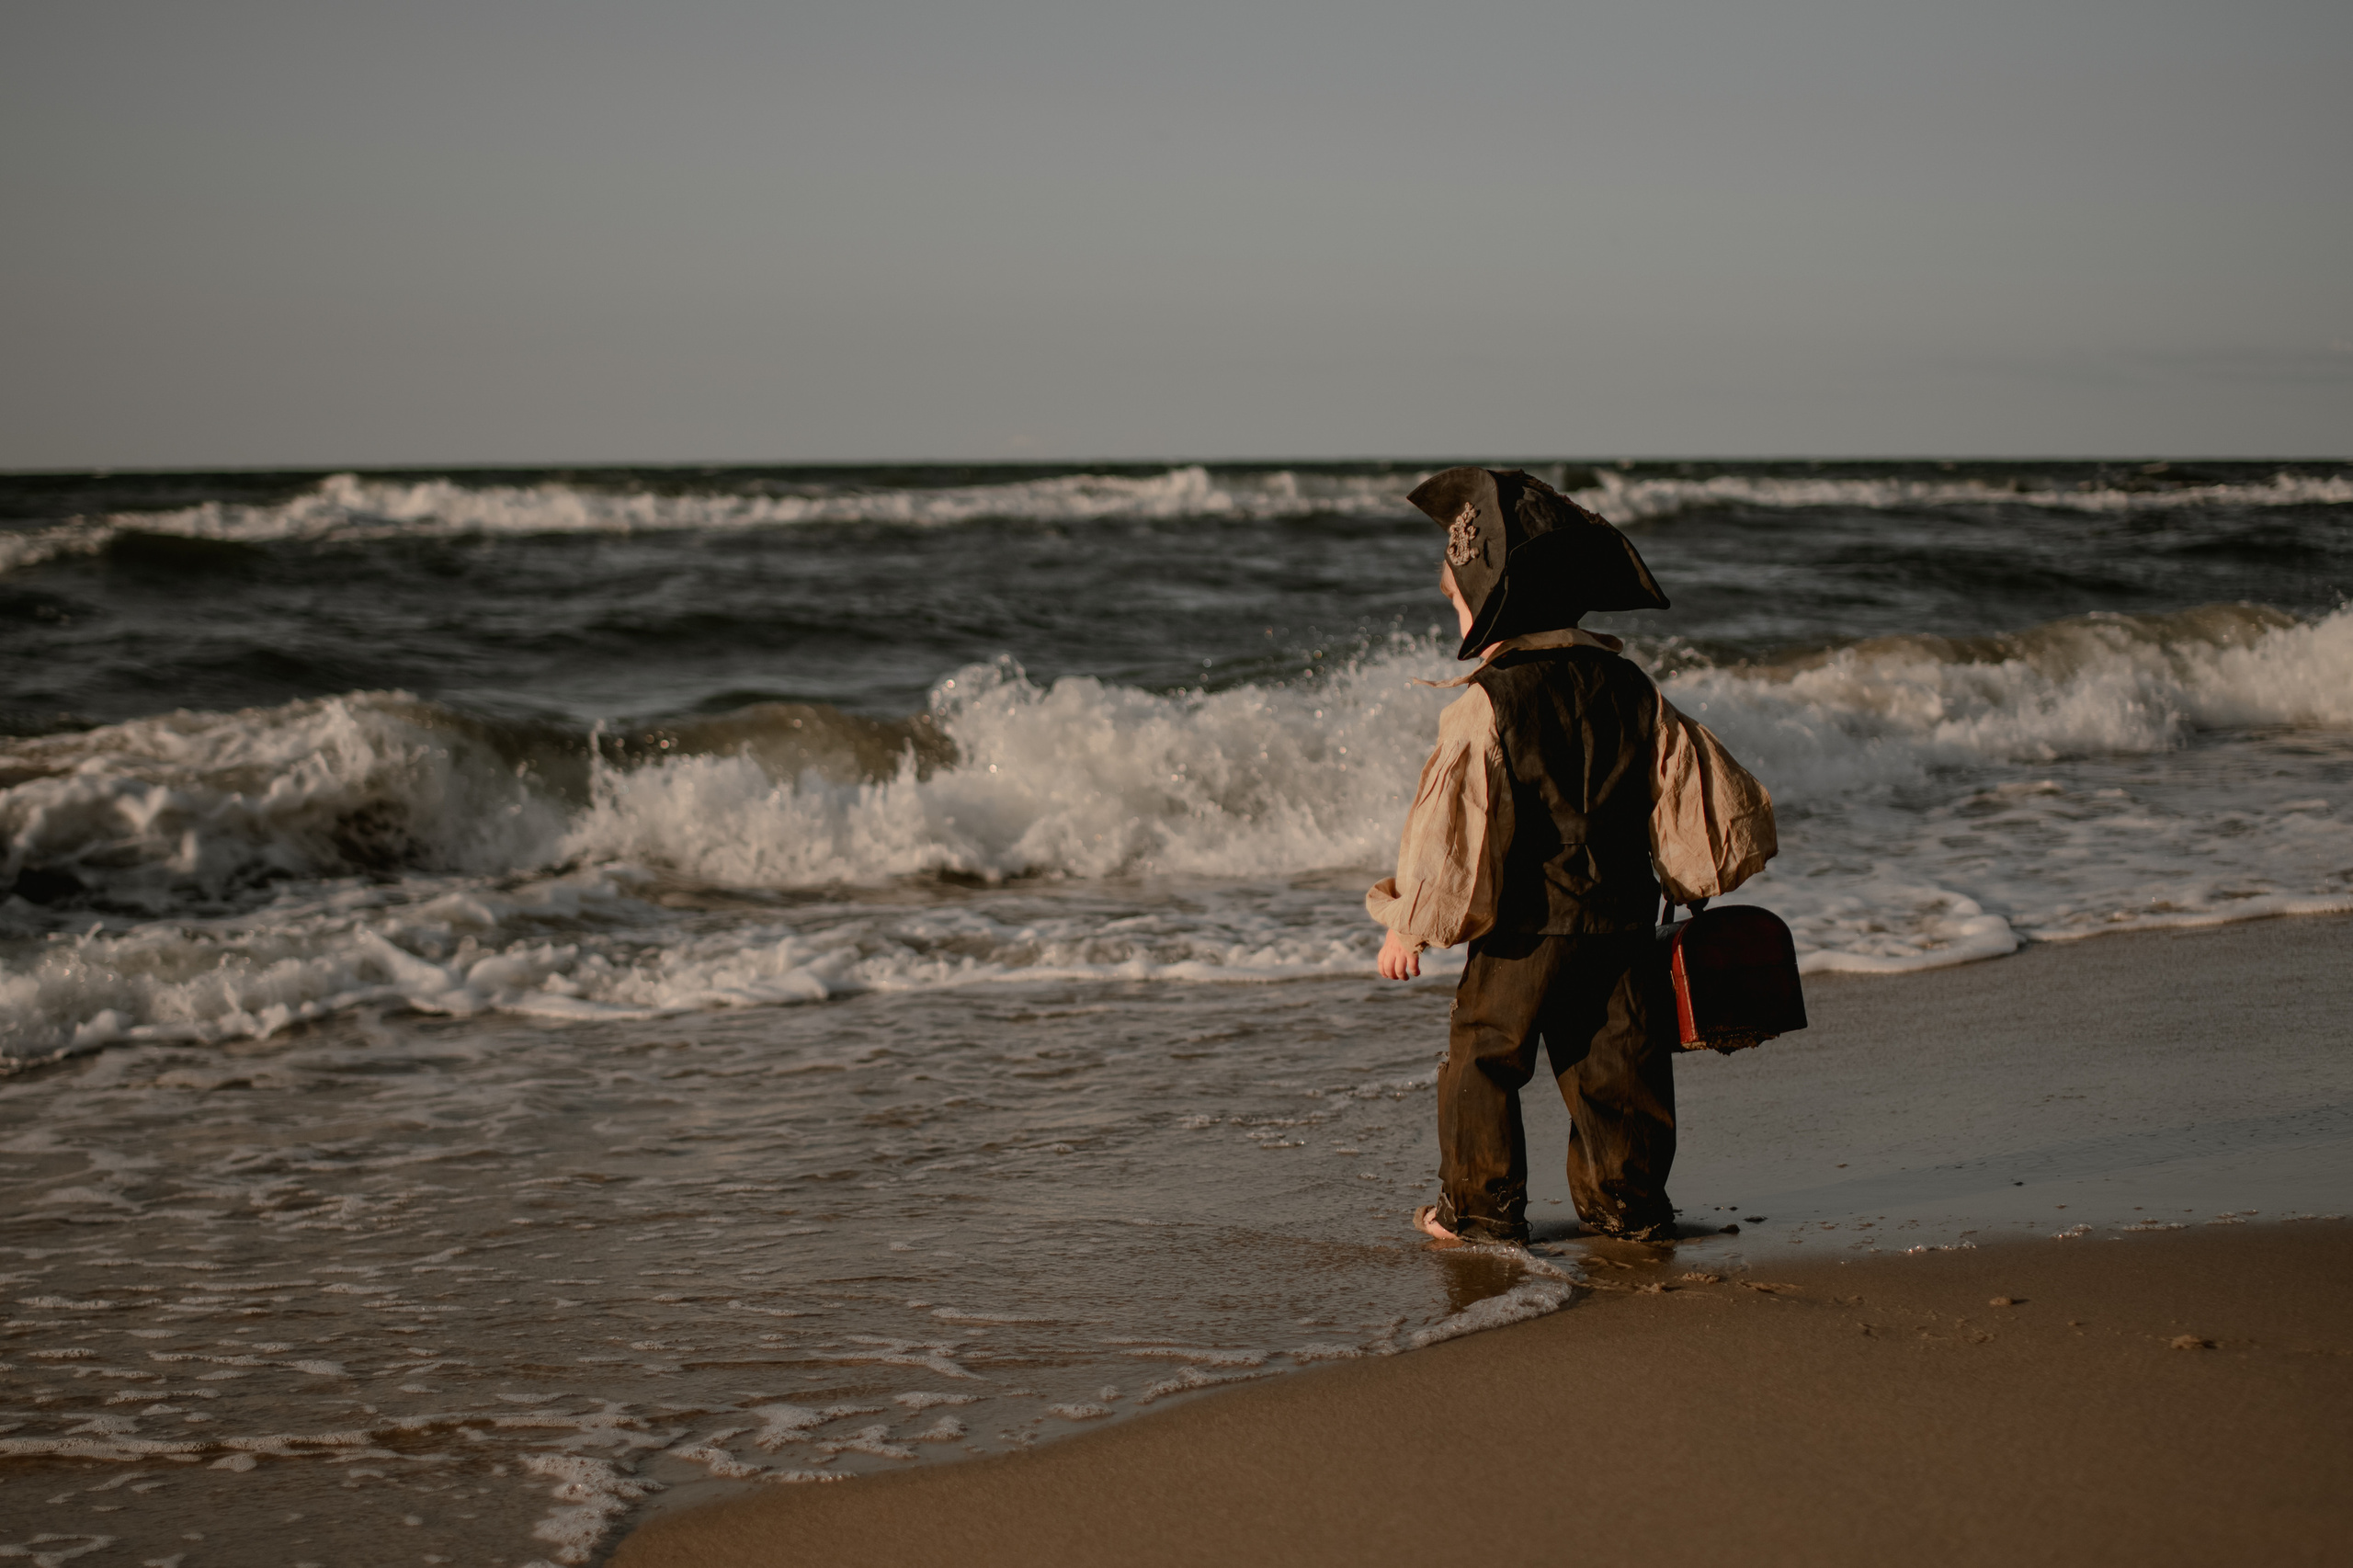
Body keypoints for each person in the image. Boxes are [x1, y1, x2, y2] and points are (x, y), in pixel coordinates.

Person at [1368, 467, 1777, 1244]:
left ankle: (1479, 1211)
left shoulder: (1486, 701)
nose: (1455, 613)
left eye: (1457, 601)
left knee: (1486, 1057)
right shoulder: (1631, 686)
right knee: (1618, 1061)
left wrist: (1410, 924)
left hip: (1525, 928)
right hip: (1620, 916)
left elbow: (1453, 833)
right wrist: (1691, 878)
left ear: (1493, 605)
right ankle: (1628, 1205)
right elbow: (1696, 793)